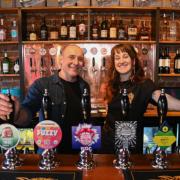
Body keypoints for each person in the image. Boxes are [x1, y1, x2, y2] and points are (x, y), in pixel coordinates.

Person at [0, 44, 91, 153]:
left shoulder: (84, 86)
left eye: (80, 59)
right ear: (60, 60)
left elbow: (86, 121)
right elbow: (26, 115)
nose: (76, 62)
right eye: (71, 57)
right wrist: (16, 112)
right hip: (50, 152)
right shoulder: (42, 85)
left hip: (78, 152)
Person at [102, 44, 180, 154]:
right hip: (108, 139)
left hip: (130, 140)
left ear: (133, 61)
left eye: (125, 56)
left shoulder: (143, 85)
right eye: (117, 58)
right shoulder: (112, 84)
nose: (121, 61)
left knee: (130, 169)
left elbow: (163, 99)